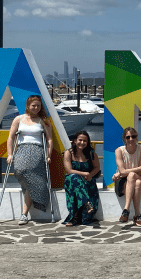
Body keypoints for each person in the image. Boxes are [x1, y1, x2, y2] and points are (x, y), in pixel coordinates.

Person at [7, 95, 54, 225]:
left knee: (30, 175)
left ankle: (24, 214)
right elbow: (11, 138)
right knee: (20, 171)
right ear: (28, 106)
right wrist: (10, 154)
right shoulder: (19, 119)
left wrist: (48, 155)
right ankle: (36, 196)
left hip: (37, 150)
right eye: (33, 105)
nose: (36, 108)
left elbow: (49, 139)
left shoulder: (43, 120)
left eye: (38, 105)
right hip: (21, 150)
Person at [62, 130, 100, 226]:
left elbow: (97, 168)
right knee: (74, 177)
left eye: (85, 141)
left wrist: (90, 175)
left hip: (87, 181)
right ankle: (86, 203)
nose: (82, 143)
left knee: (77, 184)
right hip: (72, 181)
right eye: (80, 140)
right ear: (74, 140)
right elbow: (69, 170)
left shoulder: (91, 153)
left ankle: (75, 218)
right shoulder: (68, 153)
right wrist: (84, 173)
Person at [114, 126, 141, 226]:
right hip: (122, 182)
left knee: (133, 176)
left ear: (136, 137)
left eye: (133, 136)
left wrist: (124, 172)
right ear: (124, 139)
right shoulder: (119, 151)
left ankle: (126, 210)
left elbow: (140, 173)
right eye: (128, 137)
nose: (131, 139)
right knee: (136, 182)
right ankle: (137, 215)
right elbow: (124, 171)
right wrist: (123, 173)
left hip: (138, 176)